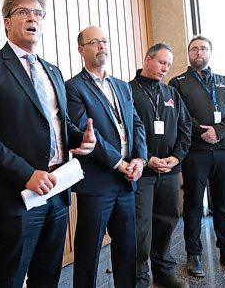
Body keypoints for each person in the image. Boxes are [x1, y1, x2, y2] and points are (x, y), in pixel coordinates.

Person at [0, 0, 96, 288]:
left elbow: (57, 126)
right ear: (7, 21)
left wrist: (80, 140)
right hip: (16, 196)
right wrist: (26, 175)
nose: (32, 18)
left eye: (38, 13)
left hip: (57, 191)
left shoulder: (53, 71)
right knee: (9, 279)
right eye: (23, 12)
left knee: (47, 277)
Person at [65, 25, 147, 288]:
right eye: (94, 43)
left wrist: (139, 159)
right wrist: (119, 163)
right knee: (89, 250)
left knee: (126, 246)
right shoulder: (74, 87)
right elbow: (85, 133)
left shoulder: (122, 86)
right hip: (97, 182)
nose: (102, 46)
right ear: (81, 50)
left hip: (127, 181)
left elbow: (136, 124)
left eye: (104, 41)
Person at [169, 36, 225, 276]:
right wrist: (203, 132)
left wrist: (219, 131)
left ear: (210, 53)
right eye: (194, 49)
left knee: (223, 203)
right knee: (193, 203)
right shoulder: (178, 82)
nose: (199, 53)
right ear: (189, 54)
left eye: (203, 49)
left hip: (224, 151)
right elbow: (179, 114)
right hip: (196, 152)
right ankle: (194, 254)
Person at [129, 43, 192, 288]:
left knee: (168, 220)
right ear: (147, 59)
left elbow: (185, 129)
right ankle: (139, 276)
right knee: (141, 228)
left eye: (168, 64)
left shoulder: (171, 94)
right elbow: (125, 131)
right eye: (161, 62)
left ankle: (163, 270)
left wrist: (175, 158)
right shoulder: (127, 90)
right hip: (142, 172)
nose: (165, 68)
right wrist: (147, 158)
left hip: (169, 170)